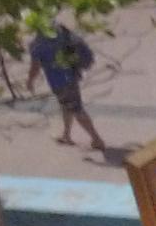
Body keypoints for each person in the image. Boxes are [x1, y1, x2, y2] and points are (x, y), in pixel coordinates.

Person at [27, 24, 102, 154]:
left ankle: (97, 139)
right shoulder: (60, 31)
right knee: (66, 105)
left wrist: (30, 81)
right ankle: (66, 134)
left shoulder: (38, 45)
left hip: (59, 81)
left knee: (76, 109)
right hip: (71, 74)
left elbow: (35, 67)